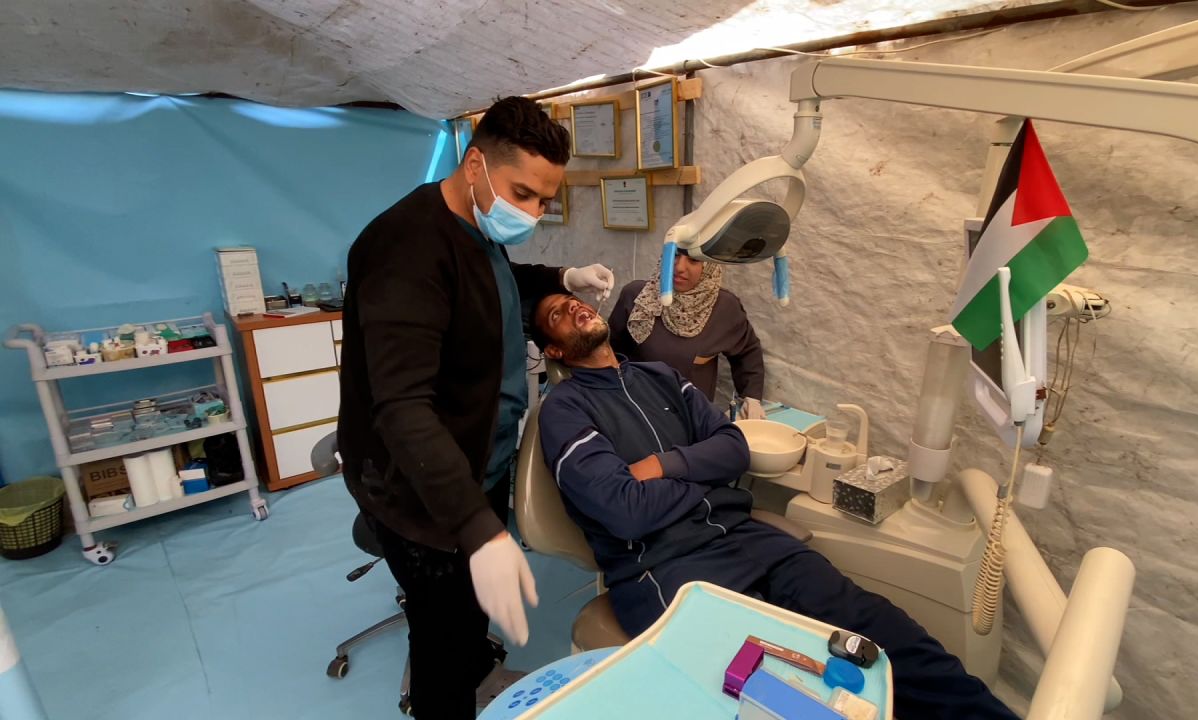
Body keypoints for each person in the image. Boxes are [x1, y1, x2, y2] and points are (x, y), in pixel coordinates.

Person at [532, 292, 1018, 720]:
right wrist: (704, 477)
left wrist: (663, 465)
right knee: (774, 692)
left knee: (885, 636)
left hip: (747, 538)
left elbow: (735, 448)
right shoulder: (565, 410)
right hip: (665, 567)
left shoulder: (660, 377)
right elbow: (626, 511)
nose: (574, 305)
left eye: (575, 301)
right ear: (554, 351)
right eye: (557, 312)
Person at [337, 97, 615, 718]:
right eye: (523, 193)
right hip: (419, 491)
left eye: (545, 201)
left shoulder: (473, 225)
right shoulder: (404, 249)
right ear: (473, 164)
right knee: (441, 636)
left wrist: (559, 280)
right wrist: (477, 529)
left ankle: (470, 667)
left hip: (474, 465)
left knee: (465, 624)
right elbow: (403, 408)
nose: (533, 213)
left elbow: (491, 279)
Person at [608, 250, 767, 418]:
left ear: (709, 266)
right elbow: (608, 351)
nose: (679, 267)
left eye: (693, 260)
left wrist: (751, 397)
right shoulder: (638, 297)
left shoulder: (725, 308)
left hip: (691, 417)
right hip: (636, 411)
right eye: (674, 255)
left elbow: (747, 351)